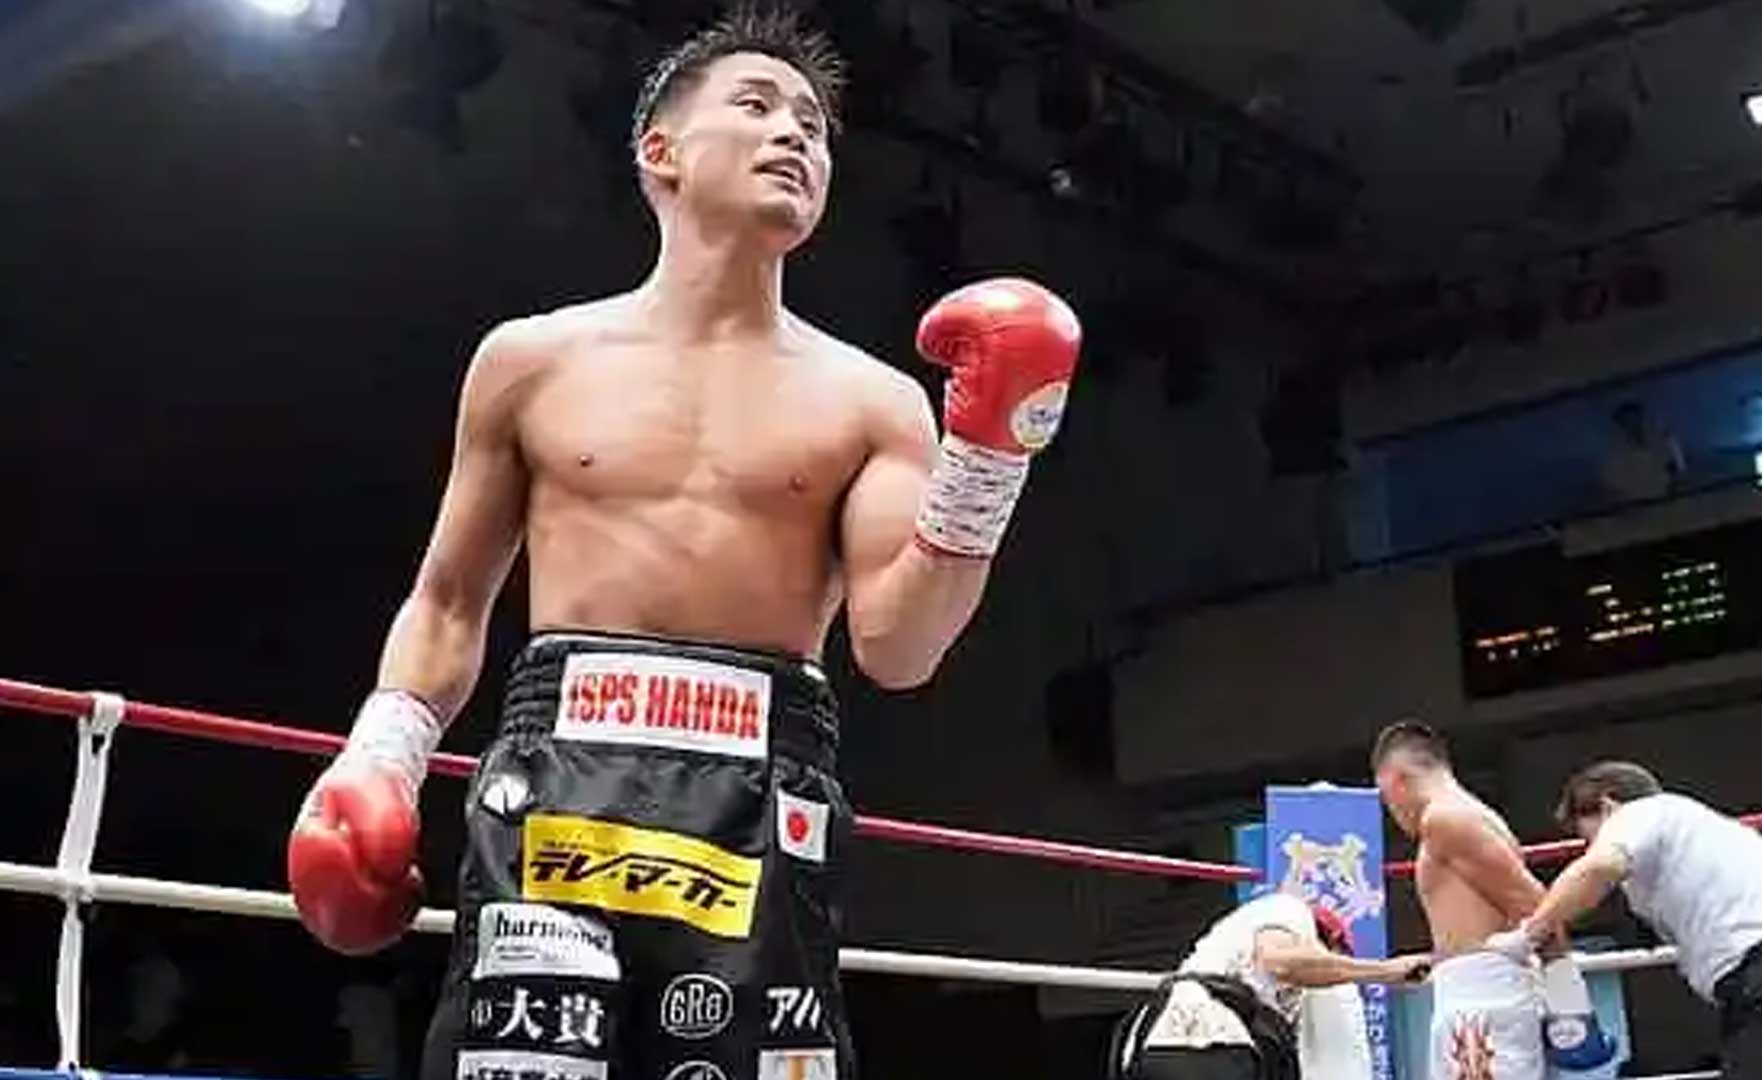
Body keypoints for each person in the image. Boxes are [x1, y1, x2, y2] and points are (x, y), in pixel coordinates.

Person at [282, 8, 1083, 1080]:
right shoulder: (531, 362)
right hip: (560, 773)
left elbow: (900, 649)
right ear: (660, 151)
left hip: (760, 790)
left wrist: (986, 468)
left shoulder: (875, 402)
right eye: (757, 106)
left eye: (814, 126)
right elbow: (448, 601)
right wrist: (382, 755)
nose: (795, 135)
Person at [1501, 761, 1762, 1080]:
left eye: (1587, 836)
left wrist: (1529, 933)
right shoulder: (1705, 835)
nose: (1589, 846)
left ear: (1608, 807)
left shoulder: (1640, 814)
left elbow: (1599, 868)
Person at [1372, 722, 1611, 1079]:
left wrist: (1570, 1004)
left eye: (1386, 798)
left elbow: (1537, 907)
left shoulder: (1446, 819)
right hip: (1479, 998)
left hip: (1482, 1004)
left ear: (1396, 780)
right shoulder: (1469, 817)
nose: (1391, 811)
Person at [1108, 891, 1429, 1080]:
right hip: (1202, 1039)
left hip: (1165, 1046)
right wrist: (1384, 971)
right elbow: (1282, 961)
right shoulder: (1287, 910)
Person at [1597, 400, 1685, 505]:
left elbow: (1676, 468)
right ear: (1621, 424)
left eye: (1636, 418)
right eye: (1627, 421)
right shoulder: (1616, 455)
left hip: (1671, 499)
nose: (1633, 424)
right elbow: (1615, 485)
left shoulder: (1662, 441)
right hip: (1641, 505)